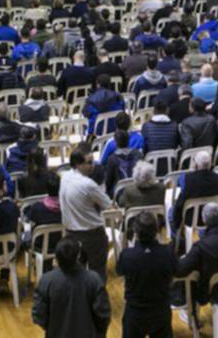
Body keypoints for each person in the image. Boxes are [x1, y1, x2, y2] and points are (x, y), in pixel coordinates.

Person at [32, 236, 112, 338]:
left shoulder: (46, 281)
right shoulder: (94, 280)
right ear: (78, 256)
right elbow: (103, 314)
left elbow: (39, 315)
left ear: (56, 258)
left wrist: (53, 328)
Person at [116, 212, 177, 338]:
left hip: (135, 312)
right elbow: (175, 270)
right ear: (156, 231)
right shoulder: (167, 253)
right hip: (161, 310)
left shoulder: (127, 255)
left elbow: (119, 271)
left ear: (136, 233)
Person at [59, 144, 112, 281]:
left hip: (70, 233)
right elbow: (108, 205)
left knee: (75, 276)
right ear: (78, 164)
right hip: (92, 235)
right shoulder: (88, 184)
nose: (92, 165)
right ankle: (97, 301)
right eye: (89, 162)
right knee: (98, 274)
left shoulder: (64, 177)